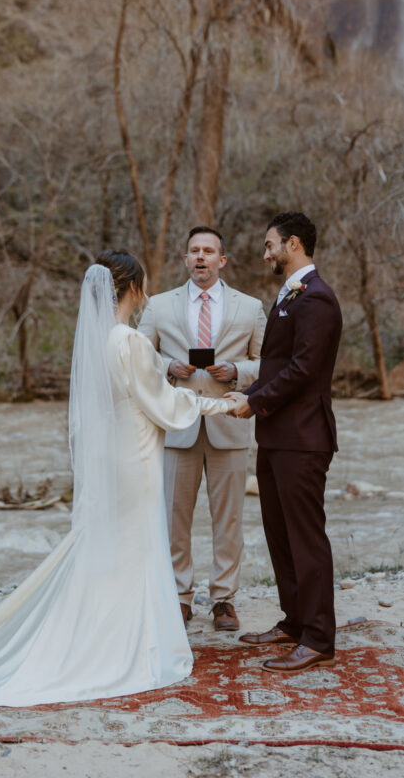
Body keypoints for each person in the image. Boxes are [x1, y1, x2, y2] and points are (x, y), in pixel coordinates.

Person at [0, 251, 235, 706]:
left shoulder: (97, 341)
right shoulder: (128, 341)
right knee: (138, 541)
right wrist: (226, 404)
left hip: (114, 453)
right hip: (137, 457)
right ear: (131, 287)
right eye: (143, 284)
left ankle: (107, 628)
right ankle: (131, 640)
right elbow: (166, 405)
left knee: (113, 545)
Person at [226, 212, 342, 673]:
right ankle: (295, 621)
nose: (265, 252)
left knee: (306, 538)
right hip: (276, 435)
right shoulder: (291, 295)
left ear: (293, 244)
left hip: (303, 439)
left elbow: (304, 370)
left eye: (270, 244)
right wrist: (250, 394)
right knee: (280, 535)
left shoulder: (317, 299)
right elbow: (278, 366)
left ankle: (318, 638)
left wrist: (255, 403)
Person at [138, 227, 266, 631]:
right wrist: (167, 367)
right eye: (194, 250)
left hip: (230, 421)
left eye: (208, 251)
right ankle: (179, 596)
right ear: (184, 259)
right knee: (175, 518)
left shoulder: (250, 307)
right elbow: (139, 357)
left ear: (222, 261)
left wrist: (237, 371)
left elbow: (270, 362)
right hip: (177, 424)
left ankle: (224, 600)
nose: (200, 257)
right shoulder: (158, 306)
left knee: (228, 519)